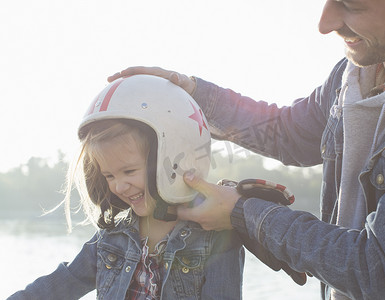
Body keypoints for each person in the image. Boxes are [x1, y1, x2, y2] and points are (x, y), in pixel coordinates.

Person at [107, 0, 385, 299]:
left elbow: (378, 270)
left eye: (351, 4)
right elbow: (289, 134)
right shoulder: (353, 75)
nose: (324, 23)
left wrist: (243, 213)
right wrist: (194, 95)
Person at [8, 75, 244, 299]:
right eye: (108, 175)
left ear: (177, 159)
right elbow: (60, 285)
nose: (119, 186)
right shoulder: (111, 237)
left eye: (129, 171)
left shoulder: (216, 237)